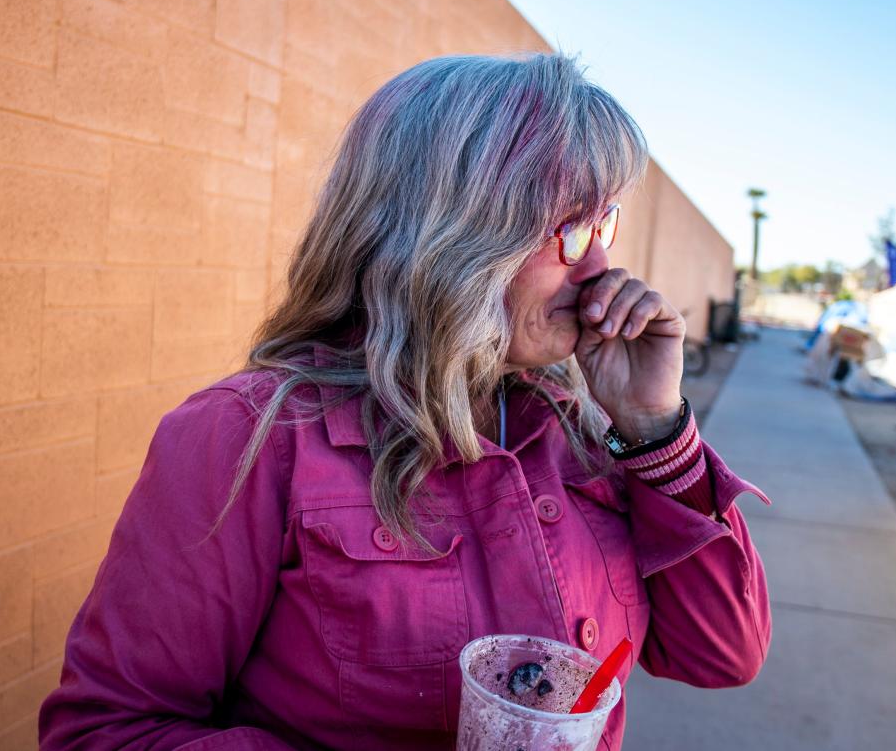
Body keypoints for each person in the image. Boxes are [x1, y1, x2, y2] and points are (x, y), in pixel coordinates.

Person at [39, 51, 771, 750]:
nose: (603, 266)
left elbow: (722, 653)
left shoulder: (578, 431)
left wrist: (654, 430)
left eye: (604, 222)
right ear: (448, 234)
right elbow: (109, 731)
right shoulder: (248, 438)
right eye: (569, 230)